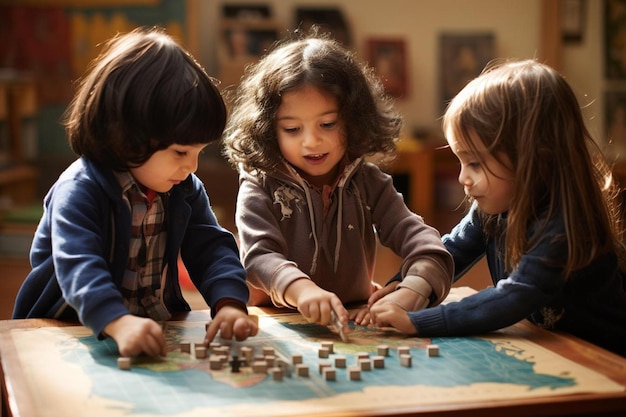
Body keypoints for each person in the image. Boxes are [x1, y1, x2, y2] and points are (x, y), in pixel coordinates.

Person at [12, 27, 258, 357]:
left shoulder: (182, 188)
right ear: (127, 137)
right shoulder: (79, 190)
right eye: (181, 152)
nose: (193, 167)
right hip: (70, 330)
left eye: (199, 152)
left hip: (151, 327)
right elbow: (79, 265)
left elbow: (211, 246)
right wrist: (118, 321)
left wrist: (229, 302)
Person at [369, 59, 626, 357]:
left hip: (608, 359)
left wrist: (418, 322)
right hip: (557, 348)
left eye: (475, 163)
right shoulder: (493, 208)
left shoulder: (565, 227)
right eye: (460, 161)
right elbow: (449, 252)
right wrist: (406, 285)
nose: (463, 178)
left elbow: (515, 295)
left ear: (536, 162)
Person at [221, 33, 454, 331]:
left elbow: (427, 246)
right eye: (292, 129)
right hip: (279, 321)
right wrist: (301, 290)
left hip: (354, 319)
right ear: (268, 129)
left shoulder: (370, 182)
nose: (311, 141)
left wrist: (412, 291)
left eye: (327, 124)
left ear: (353, 119)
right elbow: (258, 257)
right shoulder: (259, 184)